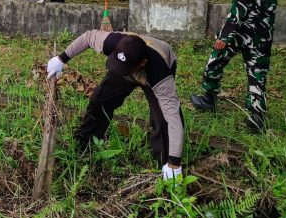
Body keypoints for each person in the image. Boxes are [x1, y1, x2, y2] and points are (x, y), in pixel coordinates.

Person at [47, 31, 185, 181]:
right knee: (100, 101)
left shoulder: (160, 74)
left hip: (153, 68)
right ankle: (84, 144)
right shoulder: (113, 42)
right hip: (127, 67)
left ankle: (165, 166)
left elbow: (173, 119)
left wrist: (174, 164)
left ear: (142, 64)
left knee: (162, 120)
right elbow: (87, 37)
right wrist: (61, 59)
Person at [191, 0, 278, 133]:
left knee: (215, 60)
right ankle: (257, 118)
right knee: (257, 75)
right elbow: (271, 6)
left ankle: (208, 99)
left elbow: (240, 8)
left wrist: (224, 37)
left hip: (241, 33)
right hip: (263, 34)